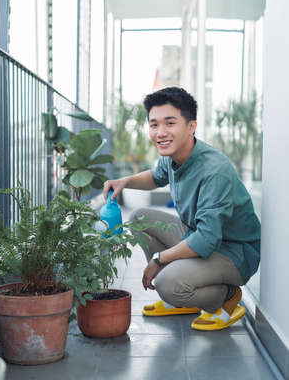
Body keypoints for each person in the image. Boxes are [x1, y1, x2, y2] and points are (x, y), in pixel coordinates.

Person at [103, 87, 261, 331]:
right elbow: (156, 177)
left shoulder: (214, 171)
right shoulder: (173, 155)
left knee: (167, 283)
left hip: (234, 253)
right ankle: (181, 299)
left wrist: (159, 260)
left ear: (191, 126)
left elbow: (207, 239)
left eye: (170, 123)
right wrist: (125, 182)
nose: (160, 132)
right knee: (140, 218)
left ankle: (226, 296)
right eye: (154, 124)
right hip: (199, 235)